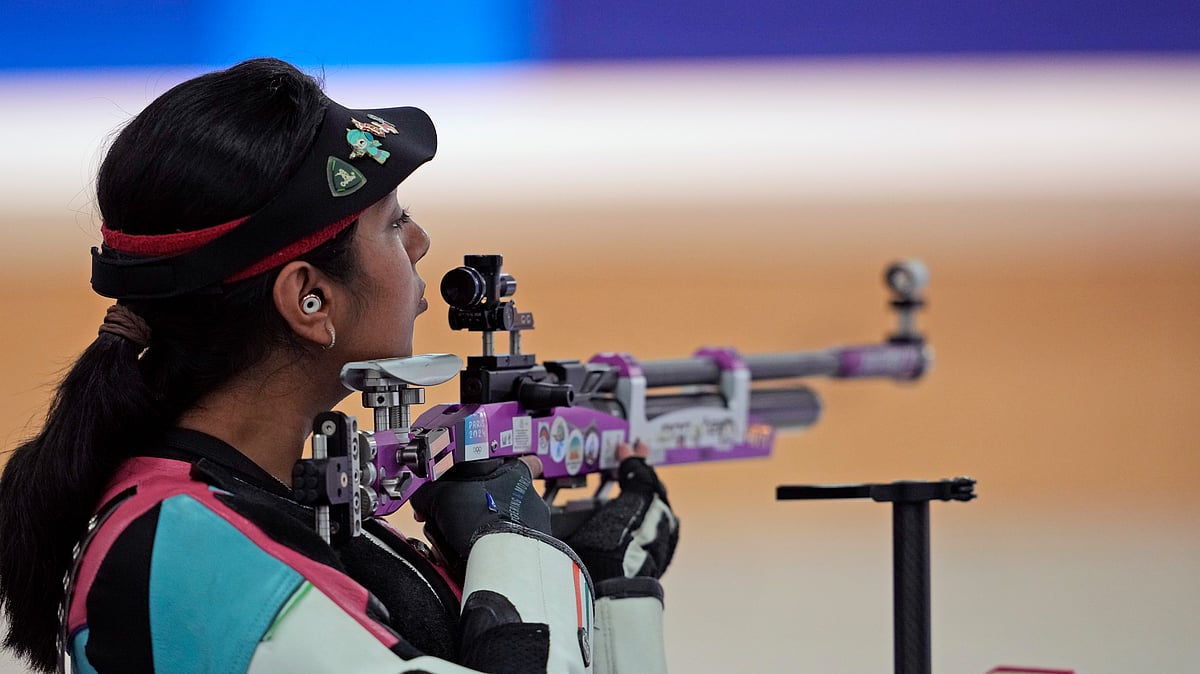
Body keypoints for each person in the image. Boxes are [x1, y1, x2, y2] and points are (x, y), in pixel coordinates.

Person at [0, 58, 678, 674]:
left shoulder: (252, 506)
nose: (419, 242)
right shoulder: (194, 553)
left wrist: (602, 588)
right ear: (309, 298)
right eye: (391, 220)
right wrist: (526, 554)